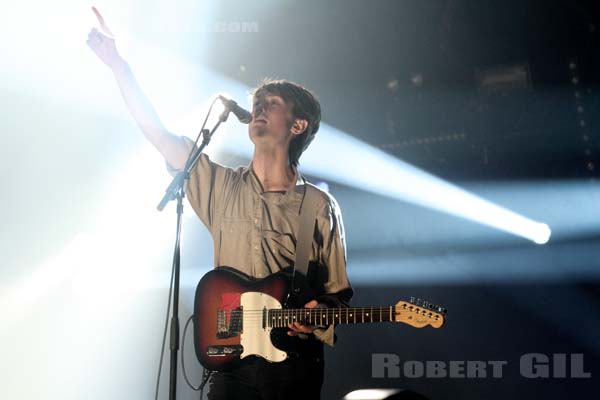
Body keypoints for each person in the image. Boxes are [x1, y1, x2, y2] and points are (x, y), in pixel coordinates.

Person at [87, 7, 353, 400]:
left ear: (298, 126)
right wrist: (118, 66)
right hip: (230, 364)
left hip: (294, 370)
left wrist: (317, 314)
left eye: (273, 102)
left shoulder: (319, 205)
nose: (259, 107)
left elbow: (338, 293)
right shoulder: (221, 185)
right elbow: (157, 133)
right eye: (258, 101)